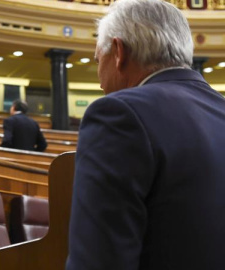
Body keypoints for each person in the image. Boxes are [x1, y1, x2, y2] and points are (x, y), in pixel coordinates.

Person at [66, 0, 225, 269]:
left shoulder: (118, 114)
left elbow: (98, 262)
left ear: (118, 52)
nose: (99, 81)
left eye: (97, 60)